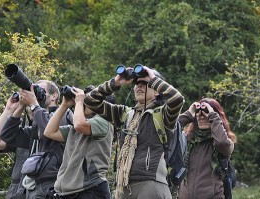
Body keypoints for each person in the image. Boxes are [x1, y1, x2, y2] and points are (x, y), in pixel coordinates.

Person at [84, 65, 184, 199]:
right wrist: (116, 82)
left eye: (144, 83)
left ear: (157, 91)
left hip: (151, 184)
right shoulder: (125, 114)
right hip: (124, 186)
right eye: (137, 83)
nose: (139, 86)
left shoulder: (163, 115)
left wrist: (153, 79)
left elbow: (178, 99)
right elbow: (90, 101)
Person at [0, 80, 73, 199]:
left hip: (55, 186)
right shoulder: (37, 123)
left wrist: (34, 103)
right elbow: (7, 135)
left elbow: (50, 130)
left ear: (54, 95)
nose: (36, 94)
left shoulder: (65, 114)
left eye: (40, 90)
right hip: (35, 187)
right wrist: (20, 107)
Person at [44, 85, 114, 199]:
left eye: (89, 99)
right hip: (67, 192)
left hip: (90, 190)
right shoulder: (75, 129)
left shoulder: (104, 122)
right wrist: (64, 105)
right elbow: (49, 132)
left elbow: (79, 125)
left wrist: (79, 102)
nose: (84, 101)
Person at [177, 98, 237, 199]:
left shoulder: (225, 142)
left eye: (205, 113)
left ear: (217, 117)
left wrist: (212, 115)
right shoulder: (187, 140)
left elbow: (221, 142)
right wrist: (188, 115)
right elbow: (169, 130)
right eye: (198, 114)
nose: (202, 117)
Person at [0, 96, 31, 199]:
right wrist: (9, 110)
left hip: (41, 190)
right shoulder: (24, 133)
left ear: (54, 96)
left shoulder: (56, 128)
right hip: (16, 191)